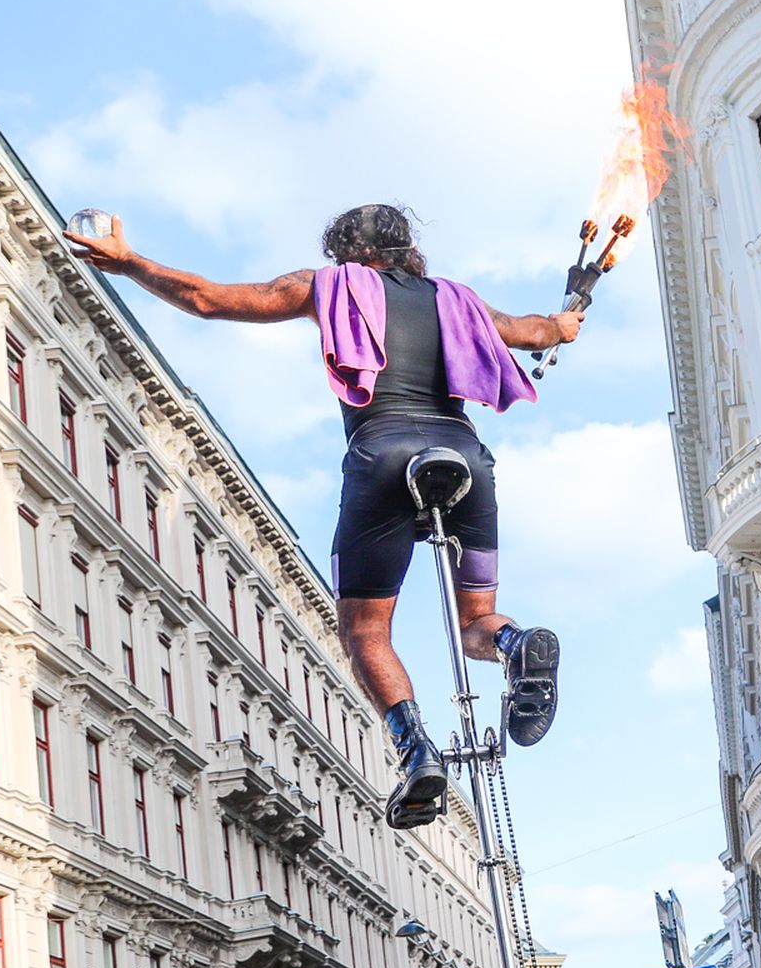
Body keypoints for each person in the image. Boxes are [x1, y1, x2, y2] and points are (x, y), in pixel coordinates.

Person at [66, 208, 571, 828]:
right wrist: (561, 324)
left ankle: (416, 754)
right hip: (465, 455)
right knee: (478, 621)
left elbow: (207, 299)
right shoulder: (458, 301)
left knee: (365, 633)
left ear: (345, 254)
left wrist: (130, 262)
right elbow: (531, 330)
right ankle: (516, 644)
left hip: (381, 456)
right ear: (407, 249)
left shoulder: (323, 286)